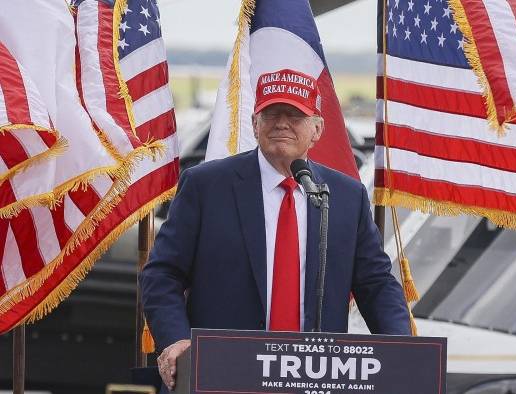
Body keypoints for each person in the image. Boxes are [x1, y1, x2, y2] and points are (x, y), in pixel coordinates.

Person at [140, 68, 411, 391]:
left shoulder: (345, 196)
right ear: (255, 124)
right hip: (223, 373)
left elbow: (375, 283)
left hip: (313, 376)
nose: (281, 123)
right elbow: (163, 274)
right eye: (271, 114)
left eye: (294, 115)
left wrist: (402, 353)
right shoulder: (206, 186)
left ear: (317, 129)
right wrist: (176, 340)